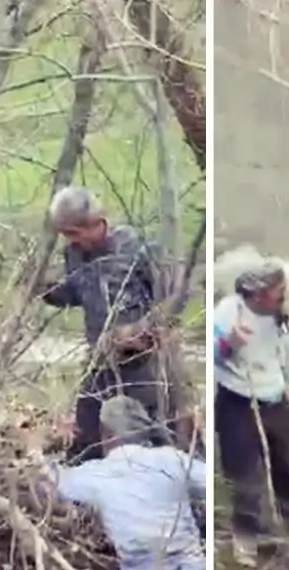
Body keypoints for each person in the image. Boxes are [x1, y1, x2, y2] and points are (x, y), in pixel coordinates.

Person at [36, 396, 207, 570]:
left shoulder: (96, 474)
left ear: (104, 436)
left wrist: (50, 445)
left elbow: (46, 484)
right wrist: (198, 441)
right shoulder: (172, 459)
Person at [36, 186, 178, 464]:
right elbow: (77, 292)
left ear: (96, 224)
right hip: (98, 363)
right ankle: (83, 493)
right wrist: (43, 290)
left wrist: (139, 332)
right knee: (87, 434)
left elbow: (172, 302)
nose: (70, 241)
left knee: (149, 434)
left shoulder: (137, 249)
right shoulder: (74, 254)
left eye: (74, 233)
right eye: (65, 234)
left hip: (141, 366)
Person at [214, 260, 289, 565]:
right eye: (279, 291)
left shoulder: (276, 312)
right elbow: (216, 352)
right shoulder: (229, 311)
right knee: (243, 472)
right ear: (258, 294)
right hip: (238, 401)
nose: (283, 295)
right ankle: (248, 537)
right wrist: (230, 344)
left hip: (274, 398)